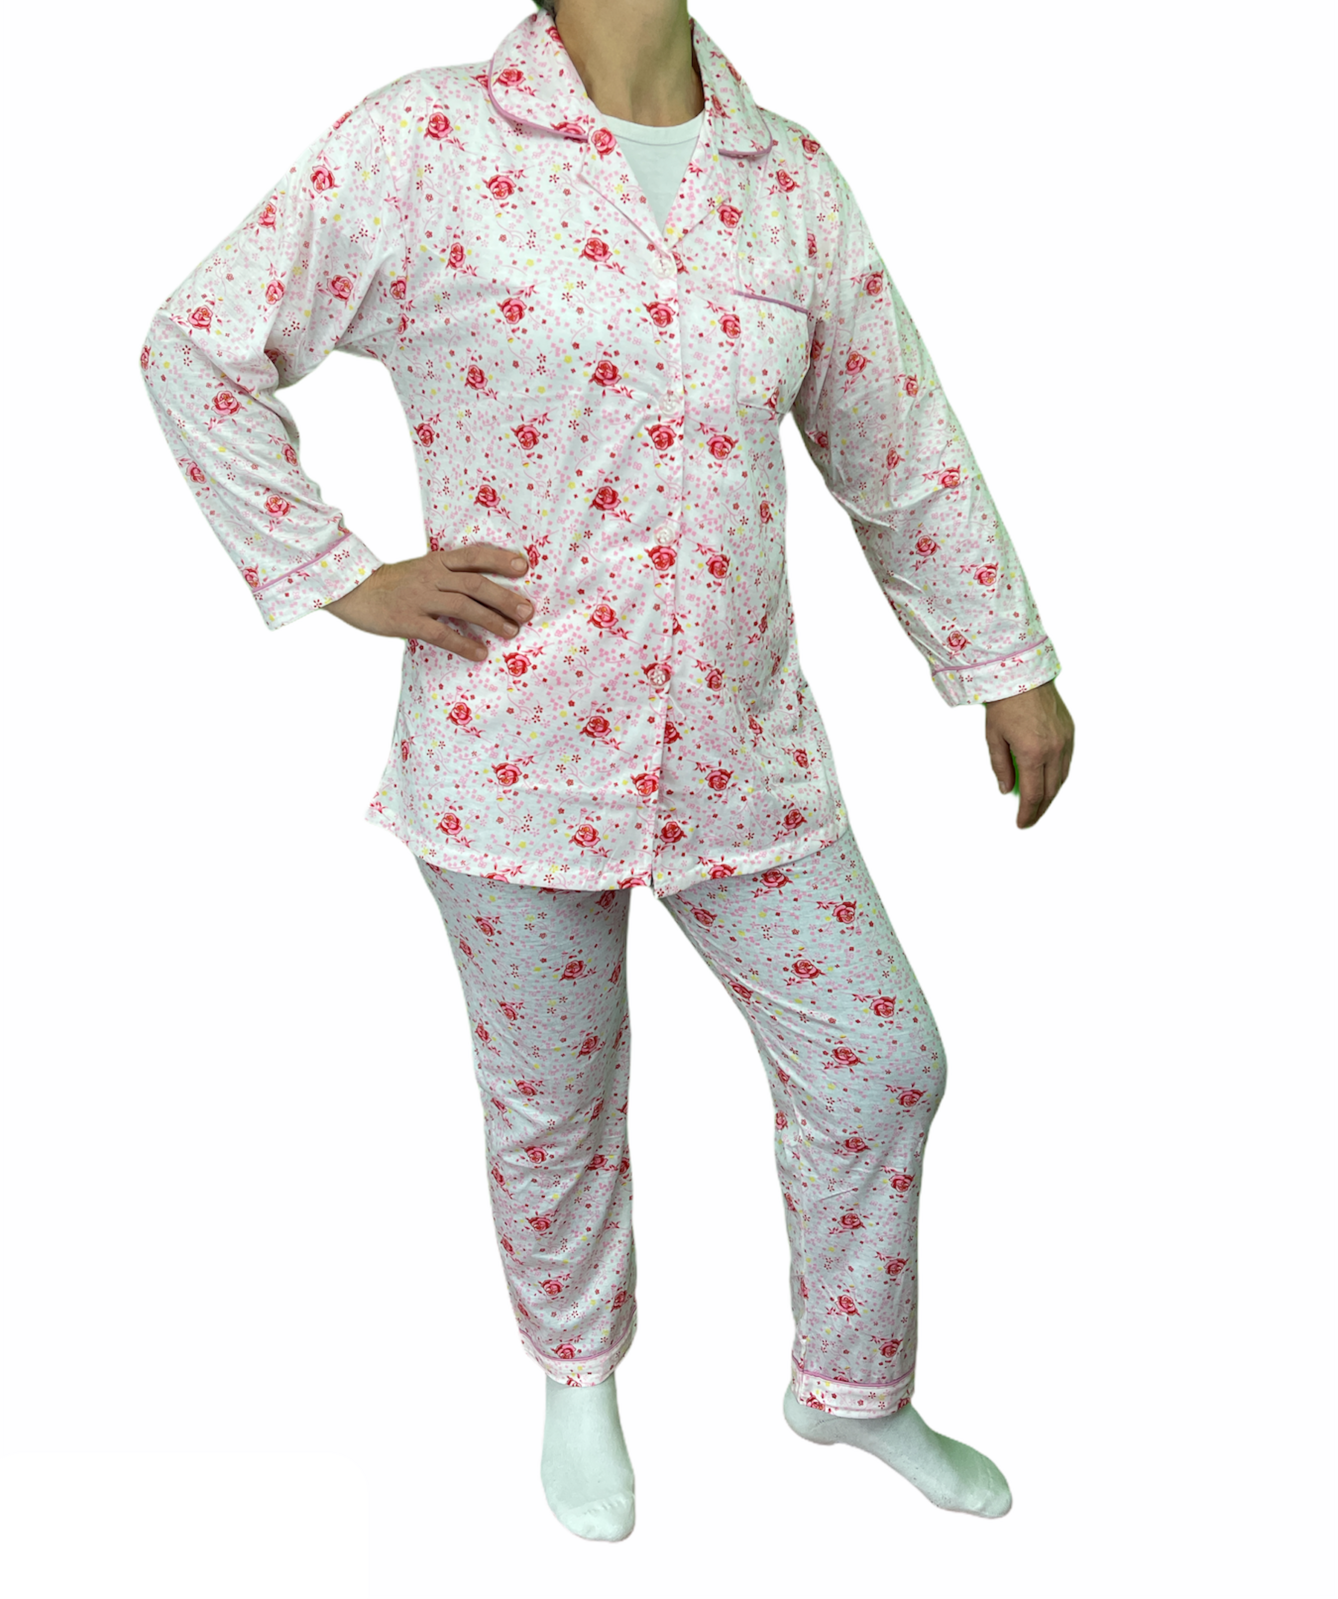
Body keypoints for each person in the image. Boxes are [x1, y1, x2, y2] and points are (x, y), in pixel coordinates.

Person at [140, 0, 1075, 1543]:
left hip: (742, 749)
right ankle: (577, 1374)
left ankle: (850, 1388)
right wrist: (338, 572)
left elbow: (894, 441)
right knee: (554, 1101)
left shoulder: (785, 177)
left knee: (878, 1059)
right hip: (511, 752)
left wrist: (1000, 657)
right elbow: (197, 343)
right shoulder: (425, 139)